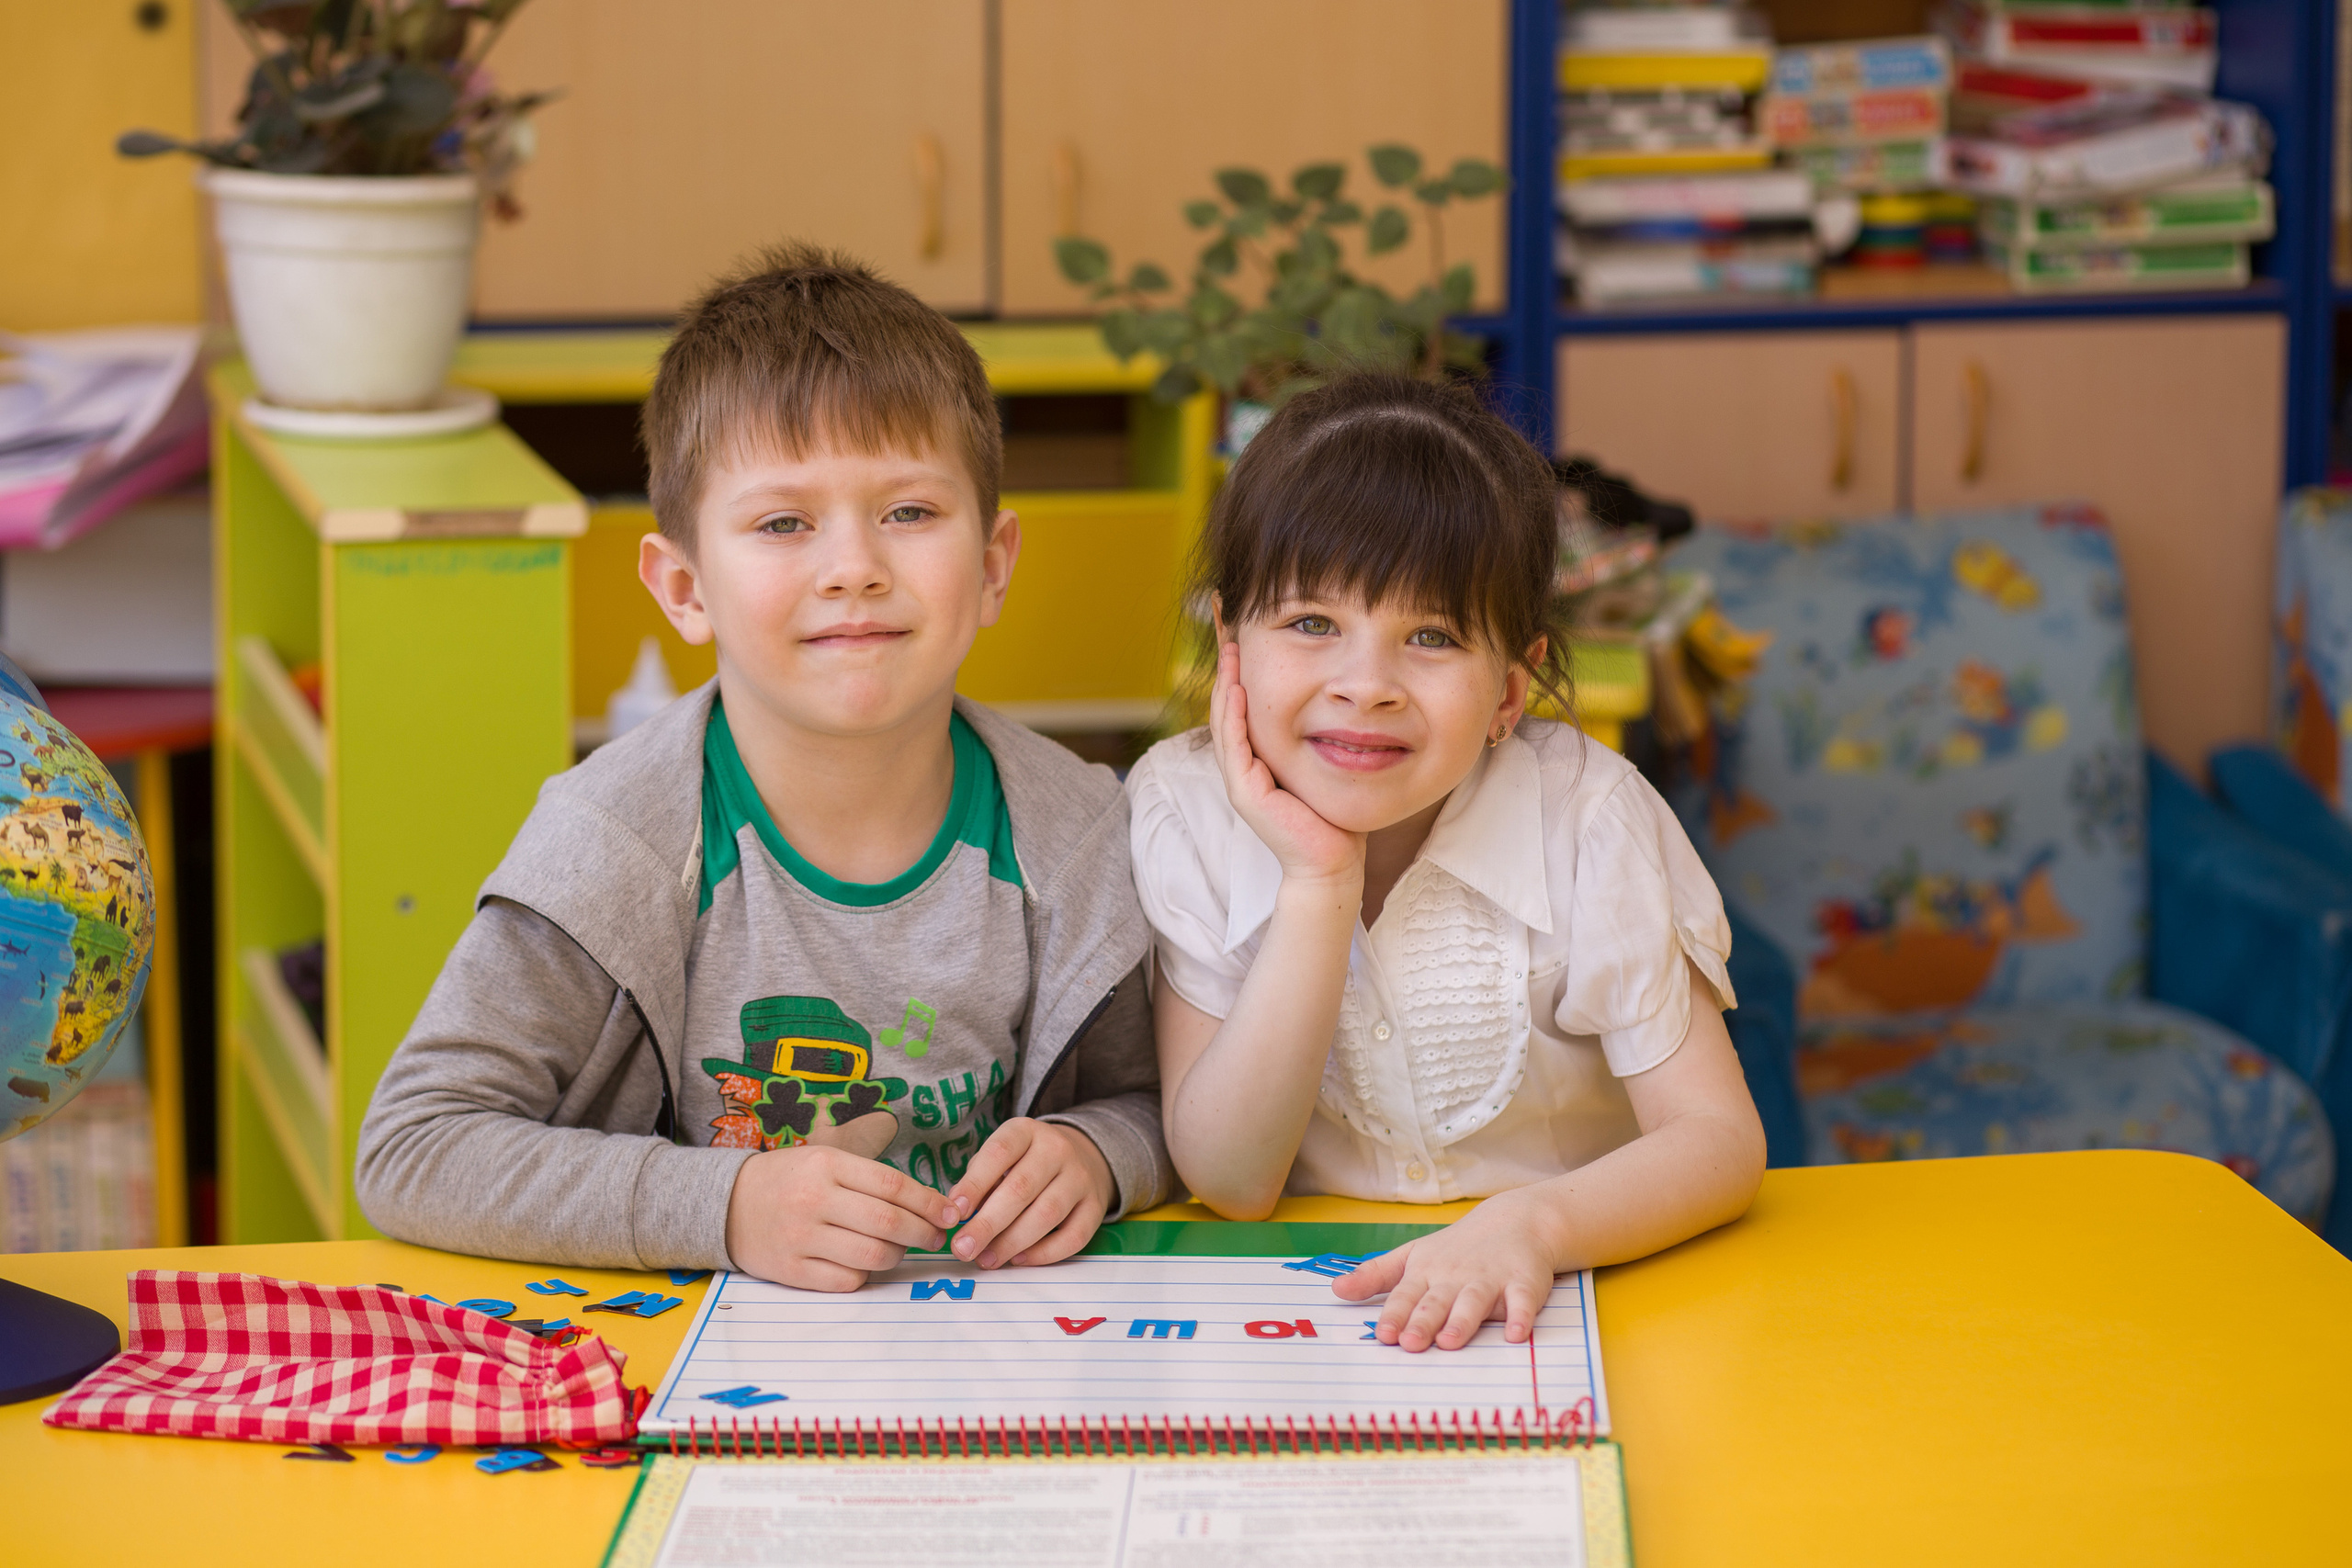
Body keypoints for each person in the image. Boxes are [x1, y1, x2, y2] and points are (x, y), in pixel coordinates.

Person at [356, 245, 1172, 1289]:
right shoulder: (618, 842)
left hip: (990, 1372)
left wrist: (1099, 1156)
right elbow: (415, 1146)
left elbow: (1154, 1104)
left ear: (993, 564)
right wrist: (725, 1206)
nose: (854, 570)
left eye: (909, 513)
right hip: (706, 1377)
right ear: (685, 587)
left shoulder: (1075, 831)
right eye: (784, 523)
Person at [1128, 372, 1765, 1353]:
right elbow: (1231, 1178)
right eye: (1310, 625)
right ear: (1229, 642)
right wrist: (1317, 883)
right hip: (1312, 1325)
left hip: (1573, 1309)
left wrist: (1533, 1226)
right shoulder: (1182, 808)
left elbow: (1717, 1143)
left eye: (1429, 636)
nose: (1366, 686)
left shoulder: (1588, 817)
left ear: (1509, 691)